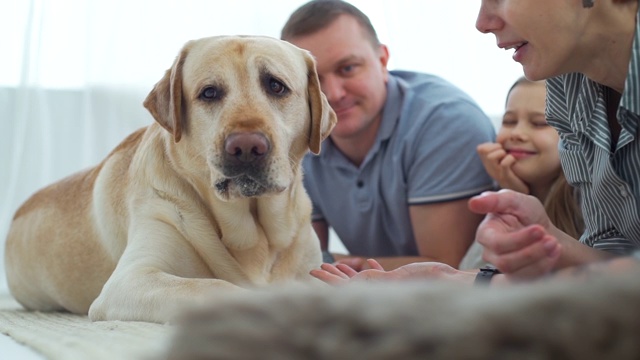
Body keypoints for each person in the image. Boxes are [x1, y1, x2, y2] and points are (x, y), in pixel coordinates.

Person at [310, 0, 640, 285]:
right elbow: (612, 261)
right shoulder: (568, 84)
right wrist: (550, 242)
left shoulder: (441, 119)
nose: (482, 23)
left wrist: (455, 283)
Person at [280, 0, 497, 271]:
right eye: (314, 80)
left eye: (347, 68)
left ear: (382, 60)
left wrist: (332, 264)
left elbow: (446, 267)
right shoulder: (295, 133)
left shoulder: (446, 123)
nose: (333, 94)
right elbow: (299, 258)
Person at [459, 77, 584, 269]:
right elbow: (470, 271)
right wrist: (511, 196)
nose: (516, 133)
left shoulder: (587, 204)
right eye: (509, 121)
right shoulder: (499, 190)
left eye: (540, 123)